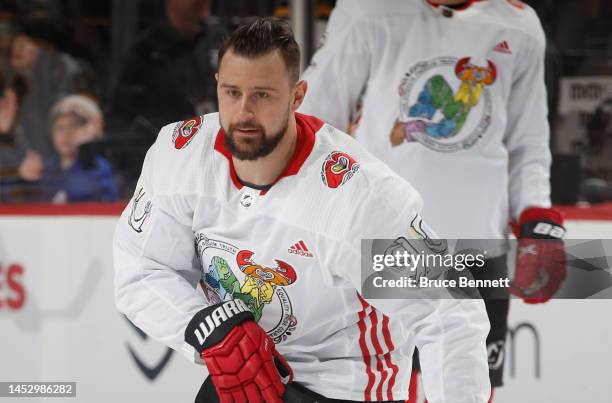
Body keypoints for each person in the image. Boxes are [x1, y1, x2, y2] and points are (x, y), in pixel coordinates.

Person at [114, 18, 490, 403]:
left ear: (297, 96)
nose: (244, 112)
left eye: (262, 95)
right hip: (247, 384)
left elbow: (450, 313)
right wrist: (205, 325)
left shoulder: (356, 197)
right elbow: (140, 269)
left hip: (343, 387)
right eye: (232, 92)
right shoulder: (181, 157)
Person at [299, 0, 567, 401]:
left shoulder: (519, 25)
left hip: (478, 255)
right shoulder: (367, 11)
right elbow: (312, 124)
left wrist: (538, 222)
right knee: (385, 390)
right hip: (384, 250)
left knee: (468, 391)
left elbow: (527, 141)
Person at [36, 95, 118, 203]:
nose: (66, 134)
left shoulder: (98, 167)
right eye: (60, 128)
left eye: (73, 127)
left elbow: (102, 197)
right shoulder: (44, 168)